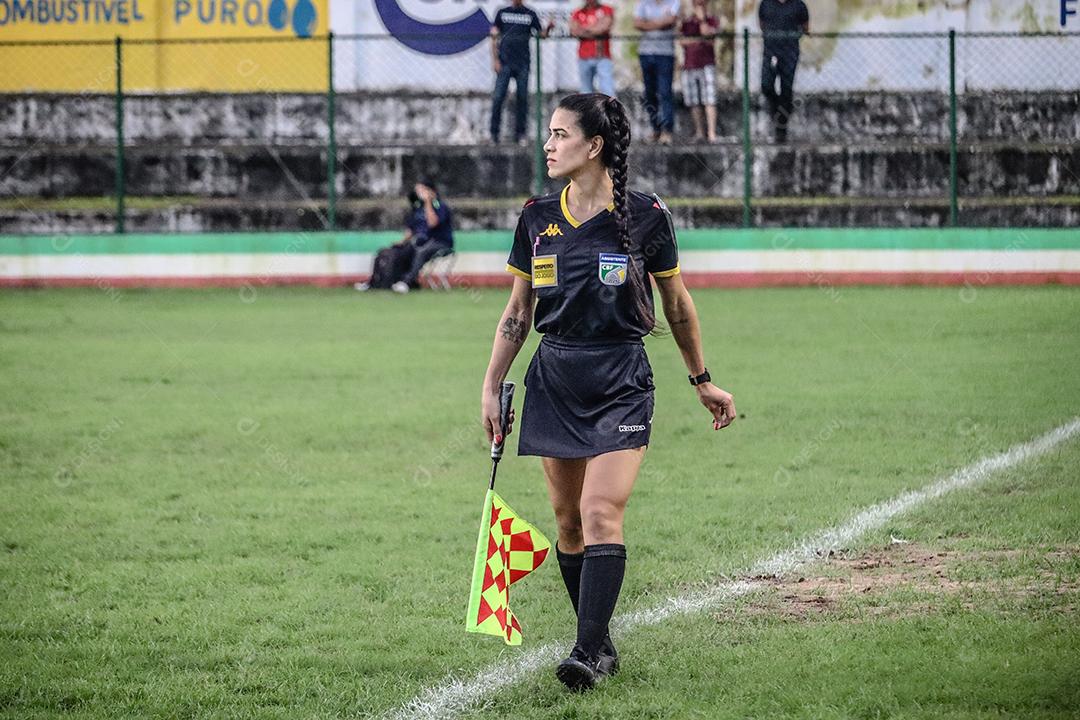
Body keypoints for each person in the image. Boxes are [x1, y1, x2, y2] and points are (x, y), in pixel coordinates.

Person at [479, 93, 736, 691]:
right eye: (548, 133)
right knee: (567, 523)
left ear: (593, 147)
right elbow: (517, 312)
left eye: (560, 134)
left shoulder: (647, 216)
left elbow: (676, 305)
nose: (548, 145)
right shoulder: (536, 215)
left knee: (600, 511)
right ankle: (599, 644)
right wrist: (491, 385)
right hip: (554, 377)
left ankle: (586, 654)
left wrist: (701, 380)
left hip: (620, 378)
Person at [355, 181, 453, 294]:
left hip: (440, 242)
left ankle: (407, 282)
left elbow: (432, 223)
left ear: (430, 191)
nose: (418, 193)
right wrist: (402, 242)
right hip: (421, 242)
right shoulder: (418, 208)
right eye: (417, 191)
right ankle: (375, 282)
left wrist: (428, 202)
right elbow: (411, 230)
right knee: (393, 252)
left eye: (421, 190)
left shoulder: (439, 206)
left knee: (421, 251)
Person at [490, 0, 554, 145]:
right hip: (504, 62)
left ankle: (521, 134)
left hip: (523, 63)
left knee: (522, 99)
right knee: (498, 97)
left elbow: (541, 35)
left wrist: (549, 28)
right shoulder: (502, 12)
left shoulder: (530, 14)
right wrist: (495, 59)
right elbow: (493, 36)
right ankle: (494, 134)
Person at [758, 0, 809, 143]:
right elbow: (762, 24)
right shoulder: (766, 4)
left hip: (790, 52)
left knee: (786, 89)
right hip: (771, 51)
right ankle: (776, 110)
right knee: (766, 85)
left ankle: (781, 127)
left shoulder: (798, 5)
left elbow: (805, 26)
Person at [633, 0, 680, 145]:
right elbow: (637, 24)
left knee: (665, 92)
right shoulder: (643, 4)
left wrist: (648, 24)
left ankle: (667, 130)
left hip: (665, 54)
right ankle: (655, 129)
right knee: (649, 93)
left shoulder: (674, 2)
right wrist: (660, 23)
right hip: (646, 53)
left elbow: (671, 21)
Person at [679, 0, 720, 143]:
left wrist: (702, 20)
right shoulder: (687, 21)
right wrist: (700, 39)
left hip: (707, 64)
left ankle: (712, 133)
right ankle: (699, 132)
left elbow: (709, 37)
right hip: (690, 64)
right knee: (694, 100)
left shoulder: (712, 20)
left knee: (709, 98)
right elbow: (682, 41)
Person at [569, 0, 616, 97]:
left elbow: (603, 28)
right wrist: (595, 28)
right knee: (585, 92)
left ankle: (610, 112)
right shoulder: (578, 12)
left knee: (607, 91)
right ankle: (588, 112)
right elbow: (574, 31)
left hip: (602, 56)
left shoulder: (606, 10)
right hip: (584, 57)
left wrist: (583, 29)